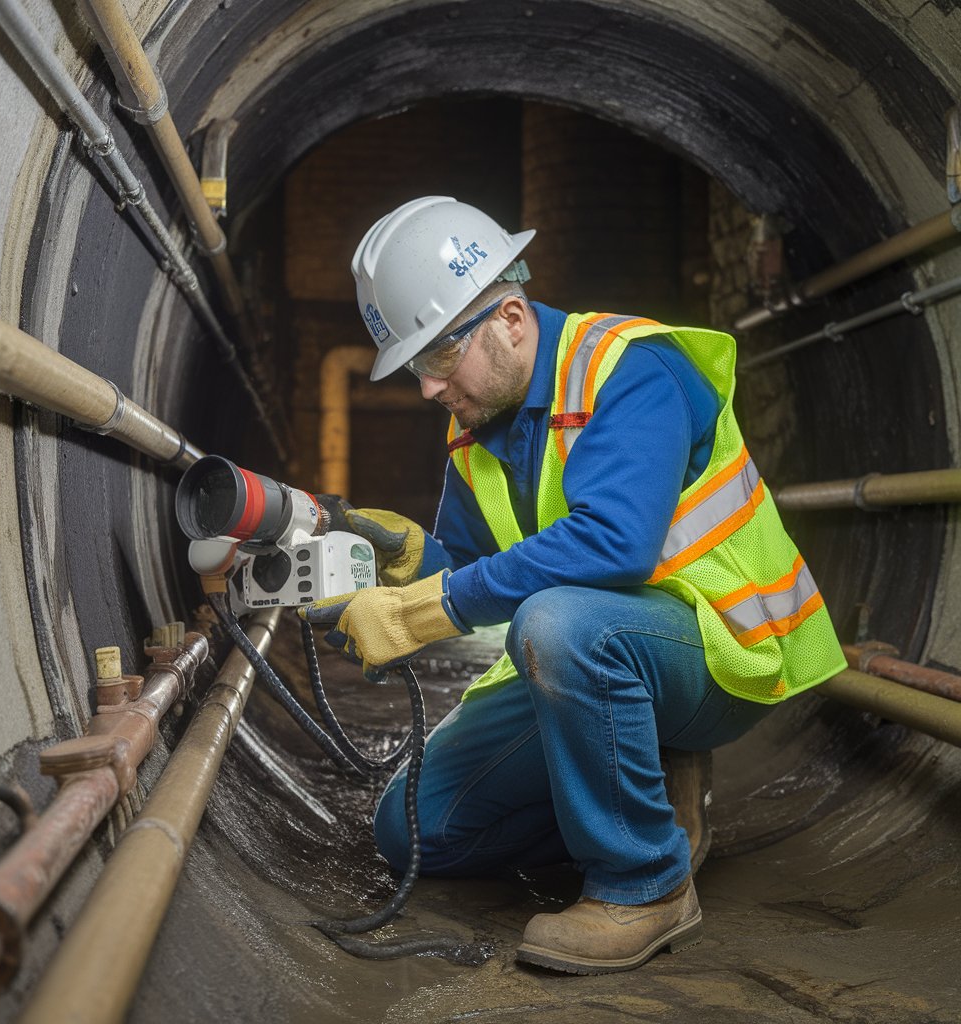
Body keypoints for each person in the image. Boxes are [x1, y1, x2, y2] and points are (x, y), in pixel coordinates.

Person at [301, 196, 846, 975]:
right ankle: (646, 790)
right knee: (415, 829)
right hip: (602, 650)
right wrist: (407, 560)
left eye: (435, 358)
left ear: (511, 318)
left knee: (555, 625)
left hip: (721, 649)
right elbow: (467, 564)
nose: (427, 389)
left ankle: (645, 883)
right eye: (417, 367)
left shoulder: (629, 370)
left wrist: (423, 611)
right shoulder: (478, 424)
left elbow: (613, 543)